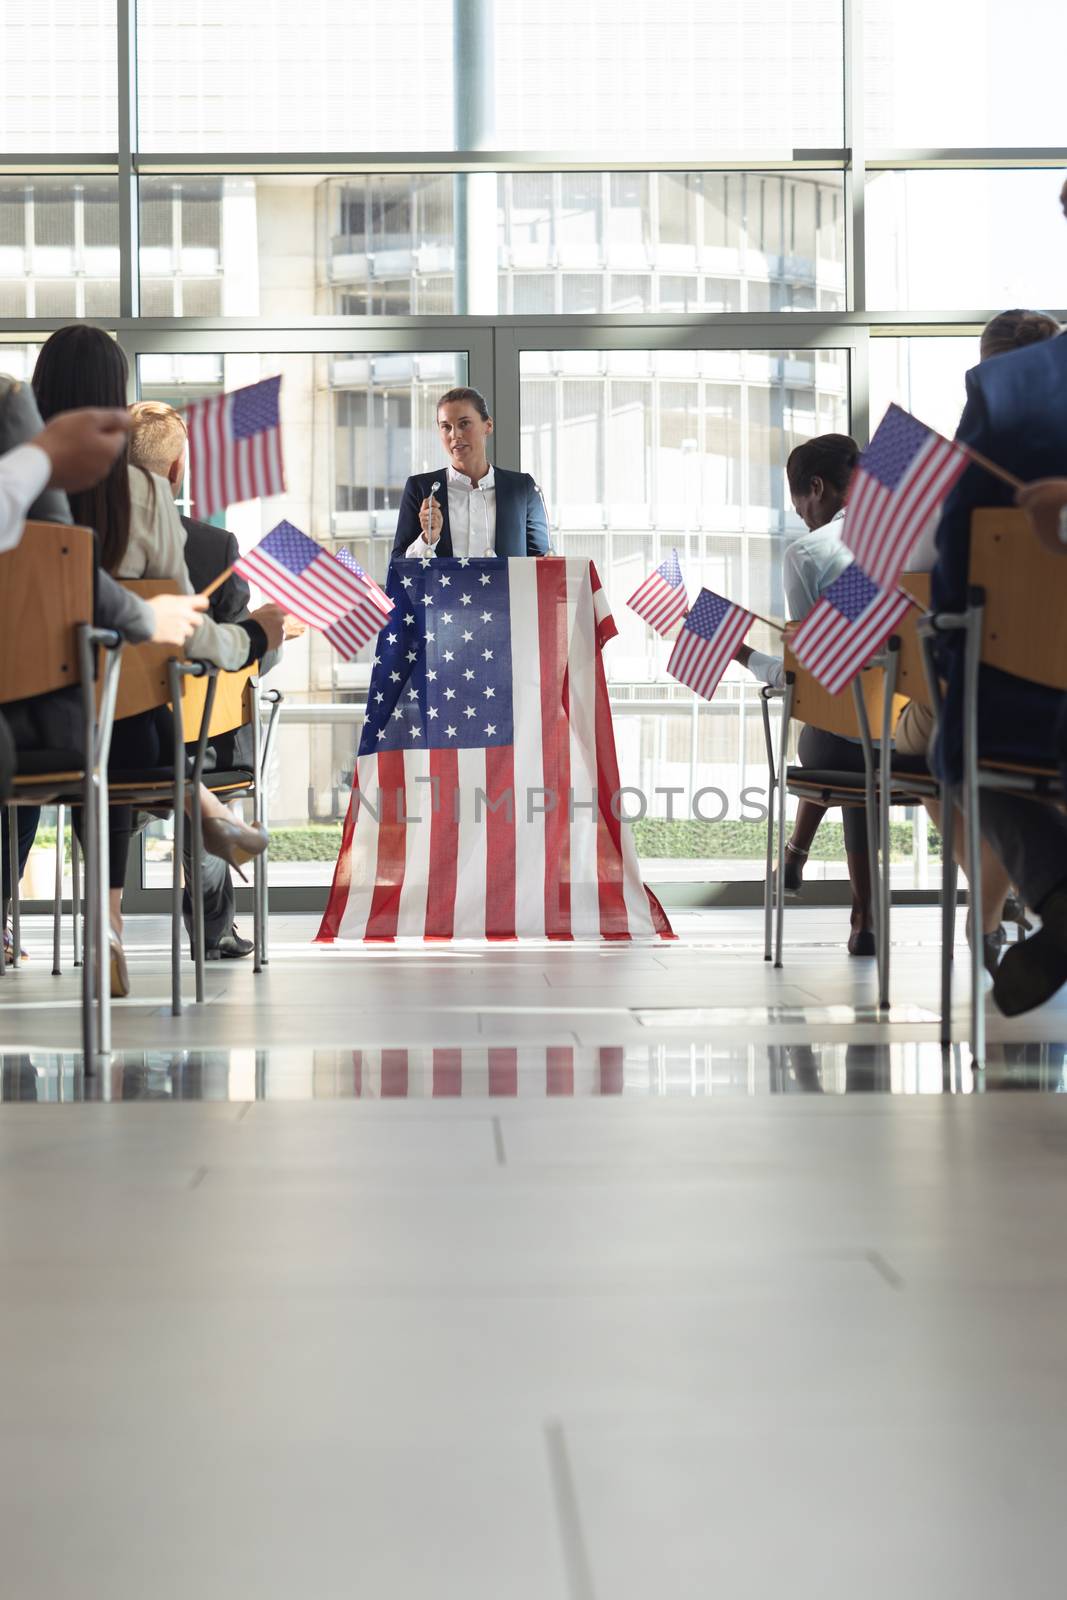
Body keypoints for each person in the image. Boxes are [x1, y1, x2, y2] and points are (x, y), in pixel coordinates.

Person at [30, 325, 285, 995]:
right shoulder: (138, 497)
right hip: (120, 732)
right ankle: (199, 820)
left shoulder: (13, 485)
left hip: (20, 734)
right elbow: (182, 631)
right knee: (127, 697)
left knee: (84, 706)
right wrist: (252, 640)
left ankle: (106, 911)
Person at [1, 383, 206, 961]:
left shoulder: (34, 537)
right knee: (128, 716)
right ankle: (112, 918)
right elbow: (182, 632)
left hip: (52, 723)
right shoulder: (84, 535)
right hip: (100, 727)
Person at [895, 306, 1061, 974]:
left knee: (958, 746)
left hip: (995, 691)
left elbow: (926, 589)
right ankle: (1005, 906)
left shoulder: (950, 464)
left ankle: (995, 912)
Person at [128, 400, 300, 961]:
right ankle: (213, 929)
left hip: (94, 732)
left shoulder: (76, 542)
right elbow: (229, 661)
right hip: (196, 737)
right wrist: (267, 640)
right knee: (204, 731)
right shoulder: (211, 547)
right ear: (177, 469)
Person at [737, 434, 879, 955]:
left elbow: (810, 677)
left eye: (798, 500)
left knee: (842, 734)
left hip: (846, 735)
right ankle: (861, 912)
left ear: (816, 488)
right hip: (921, 735)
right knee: (864, 728)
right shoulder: (915, 543)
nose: (799, 514)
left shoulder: (810, 553)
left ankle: (807, 861)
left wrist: (745, 655)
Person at [392, 386, 551, 561]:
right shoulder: (421, 489)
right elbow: (398, 567)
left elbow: (544, 563)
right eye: (446, 427)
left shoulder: (522, 488)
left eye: (464, 423)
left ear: (488, 425)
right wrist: (428, 539)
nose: (455, 434)